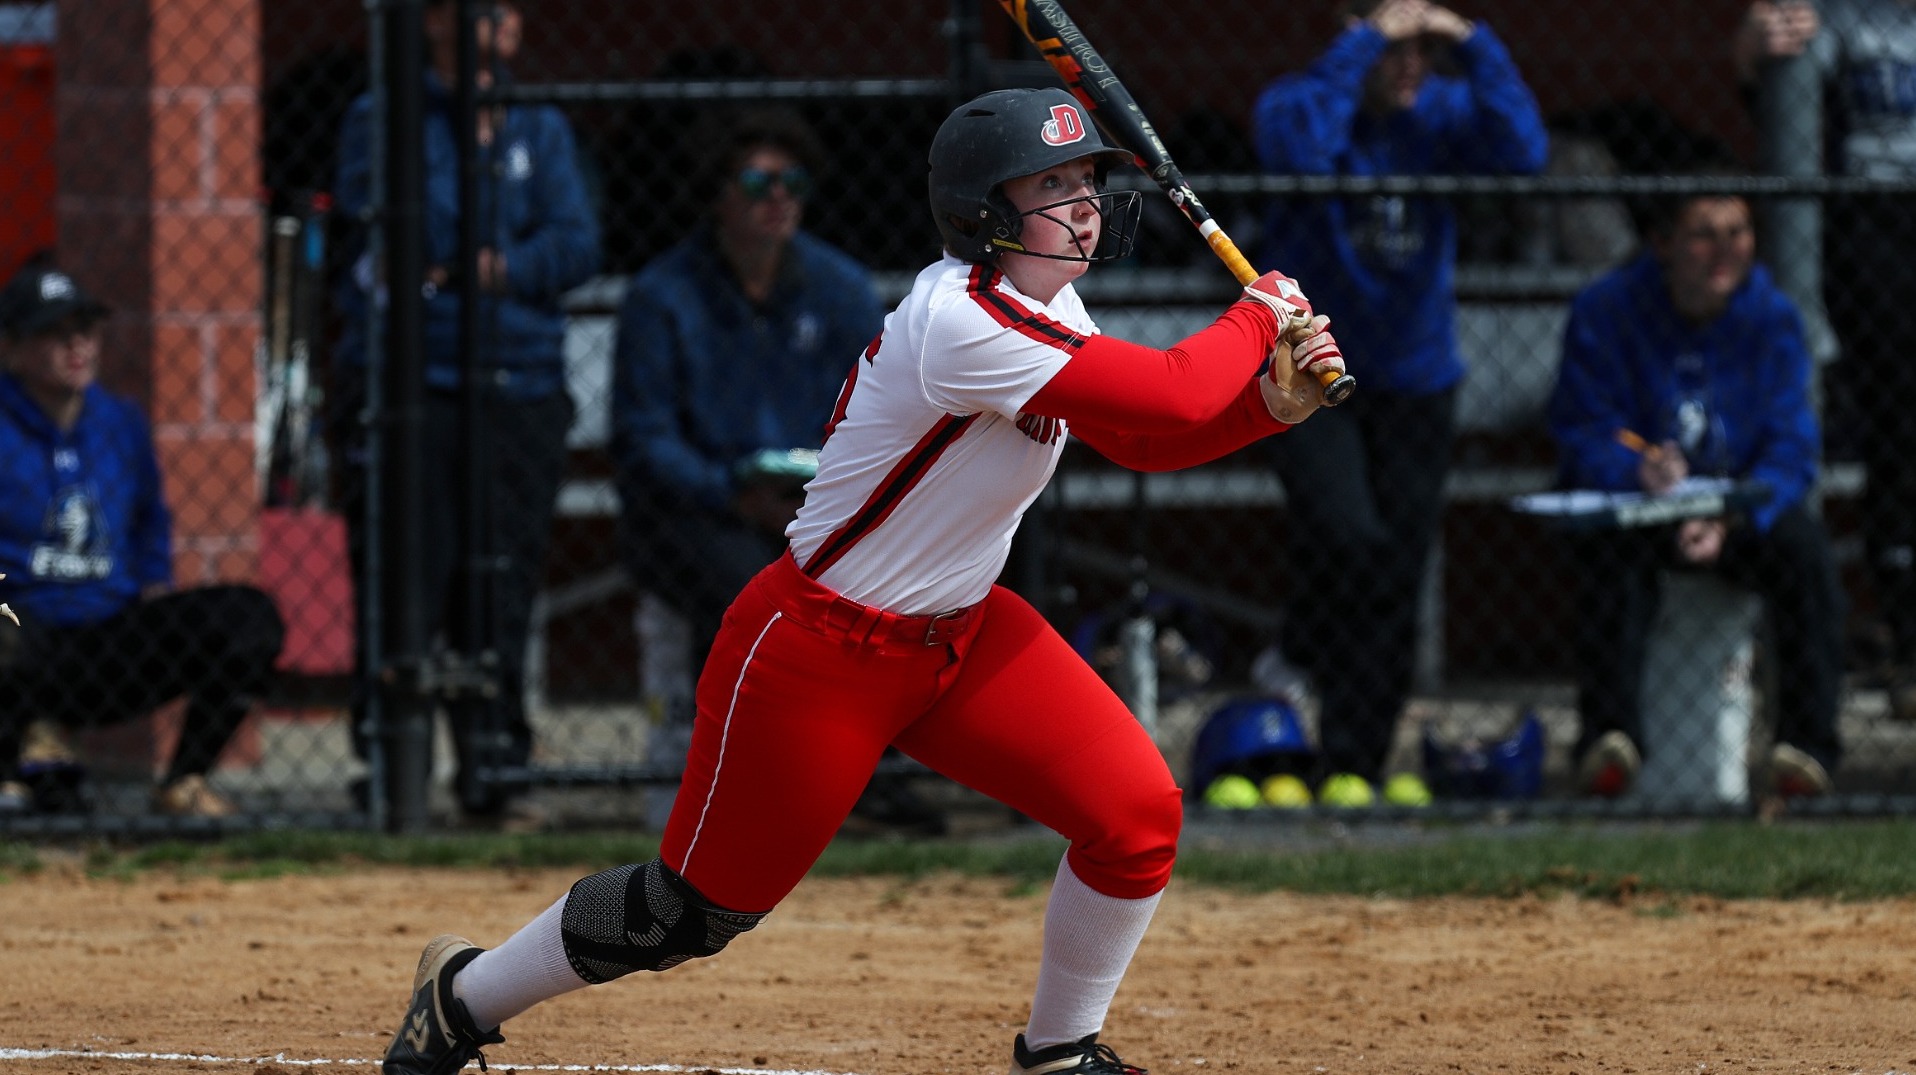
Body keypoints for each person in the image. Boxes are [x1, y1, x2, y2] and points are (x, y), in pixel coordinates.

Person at [374, 85, 1346, 1075]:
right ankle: (461, 997)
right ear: (984, 210)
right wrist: (1257, 310)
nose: (1084, 201)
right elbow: (1175, 394)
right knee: (691, 913)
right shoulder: (960, 321)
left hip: (962, 640)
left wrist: (1269, 406)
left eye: (1087, 179)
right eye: (1052, 184)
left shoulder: (1050, 306)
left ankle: (1058, 1051)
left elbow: (1144, 438)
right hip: (818, 651)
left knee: (1135, 818)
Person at [609, 108, 945, 833]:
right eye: (757, 181)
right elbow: (644, 444)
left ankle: (863, 778)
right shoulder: (661, 297)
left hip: (819, 507)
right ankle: (749, 787)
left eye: (792, 181)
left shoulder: (841, 287)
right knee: (745, 589)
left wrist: (825, 494)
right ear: (715, 194)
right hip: (698, 512)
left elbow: (886, 418)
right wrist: (732, 489)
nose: (777, 197)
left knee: (895, 572)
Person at [1248, 0, 1547, 807]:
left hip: (1416, 377)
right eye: (1395, 47)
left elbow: (1525, 153)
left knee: (1396, 565)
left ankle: (1354, 759)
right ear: (1354, 35)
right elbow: (1302, 156)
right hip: (1307, 372)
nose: (1411, 63)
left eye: (1423, 48)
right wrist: (1362, 51)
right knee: (1345, 535)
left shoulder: (1446, 111)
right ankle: (1299, 666)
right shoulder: (1300, 100)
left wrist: (1473, 43)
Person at [330, 0, 600, 826]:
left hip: (517, 383)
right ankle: (389, 766)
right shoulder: (383, 118)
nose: (504, 18)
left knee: (504, 582)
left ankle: (494, 767)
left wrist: (487, 267)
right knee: (408, 578)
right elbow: (393, 243)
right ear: (436, 20)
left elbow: (575, 245)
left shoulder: (541, 128)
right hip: (415, 386)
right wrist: (481, 266)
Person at [1546, 190, 1845, 800]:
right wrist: (1635, 469)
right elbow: (1580, 429)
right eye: (1703, 235)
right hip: (1640, 509)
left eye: (1737, 232)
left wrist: (1734, 518)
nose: (1724, 252)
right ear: (1663, 245)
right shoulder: (1608, 309)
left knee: (1807, 554)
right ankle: (1609, 742)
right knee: (1612, 561)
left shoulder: (1773, 318)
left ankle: (1805, 749)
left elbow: (1793, 447)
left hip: (1734, 514)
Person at [0, 264, 287, 817]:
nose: (77, 344)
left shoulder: (119, 422)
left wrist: (155, 582)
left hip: (108, 635)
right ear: (11, 349)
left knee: (248, 617)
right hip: (22, 630)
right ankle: (11, 762)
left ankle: (184, 780)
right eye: (55, 332)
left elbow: (149, 520)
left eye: (85, 328)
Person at [1734, 0, 1916, 722]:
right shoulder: (1839, 15)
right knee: (1903, 437)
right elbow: (1784, 110)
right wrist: (1754, 61)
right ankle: (1908, 639)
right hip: (1873, 228)